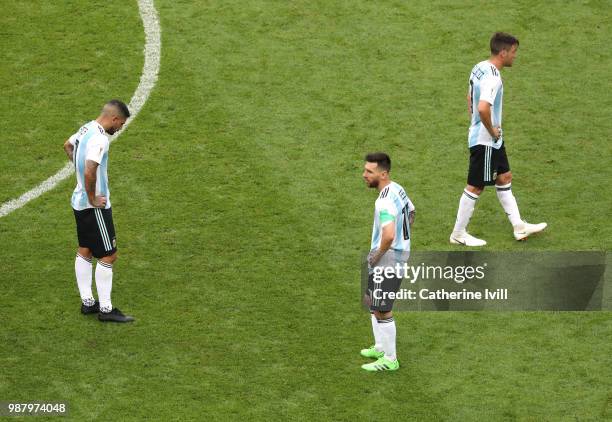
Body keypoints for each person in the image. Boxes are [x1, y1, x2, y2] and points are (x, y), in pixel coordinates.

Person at [450, 32, 547, 246]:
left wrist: (476, 122)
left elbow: (469, 98)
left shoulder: (479, 67)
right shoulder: (493, 77)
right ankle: (458, 233)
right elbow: (483, 107)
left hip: (491, 139)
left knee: (504, 177)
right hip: (485, 140)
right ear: (503, 52)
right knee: (475, 186)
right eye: (513, 52)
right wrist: (492, 131)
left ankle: (519, 227)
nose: (515, 56)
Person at [63, 100, 134, 322]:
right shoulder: (100, 138)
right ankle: (105, 309)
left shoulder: (86, 128)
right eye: (120, 124)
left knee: (85, 249)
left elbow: (68, 145)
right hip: (93, 207)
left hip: (78, 201)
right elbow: (91, 168)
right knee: (109, 255)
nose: (120, 128)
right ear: (114, 119)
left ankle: (87, 303)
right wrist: (93, 197)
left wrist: (81, 178)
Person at [361, 152, 415, 372]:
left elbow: (389, 234)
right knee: (373, 303)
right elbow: (411, 212)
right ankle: (381, 347)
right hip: (393, 256)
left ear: (383, 174)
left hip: (387, 260)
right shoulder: (397, 188)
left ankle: (390, 359)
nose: (364, 175)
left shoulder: (383, 201)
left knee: (383, 309)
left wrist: (377, 257)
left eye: (369, 172)